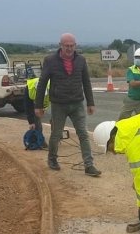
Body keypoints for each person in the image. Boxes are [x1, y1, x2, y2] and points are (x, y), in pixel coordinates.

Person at [35, 33, 101, 177]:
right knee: (56, 134)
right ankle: (52, 159)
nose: (69, 49)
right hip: (59, 104)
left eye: (72, 46)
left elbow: (86, 82)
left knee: (83, 134)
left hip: (77, 103)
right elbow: (42, 83)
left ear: (75, 45)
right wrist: (38, 105)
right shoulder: (50, 60)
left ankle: (89, 165)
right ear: (61, 45)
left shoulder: (81, 60)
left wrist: (90, 102)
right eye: (66, 46)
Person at [24, 67, 50, 148]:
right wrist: (31, 122)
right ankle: (40, 141)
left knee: (56, 118)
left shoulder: (51, 86)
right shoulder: (29, 88)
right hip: (34, 105)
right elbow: (28, 106)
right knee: (36, 120)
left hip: (51, 101)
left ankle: (55, 138)